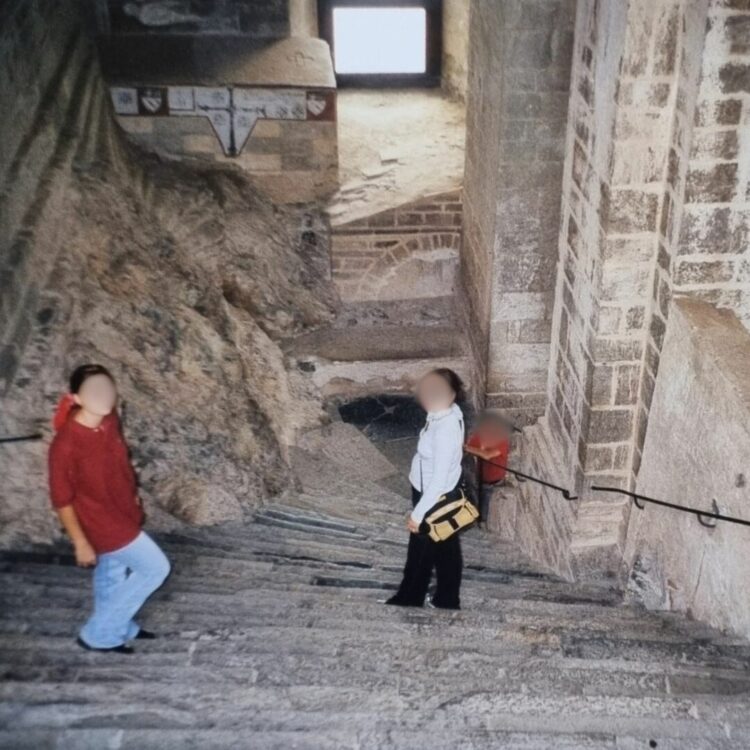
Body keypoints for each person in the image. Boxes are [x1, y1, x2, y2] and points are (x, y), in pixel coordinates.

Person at [48, 363, 171, 654]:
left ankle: (120, 625)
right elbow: (62, 499)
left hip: (123, 509)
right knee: (155, 568)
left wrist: (133, 495)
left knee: (112, 571)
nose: (103, 397)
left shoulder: (109, 418)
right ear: (76, 398)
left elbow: (118, 463)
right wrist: (80, 542)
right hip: (100, 521)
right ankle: (98, 633)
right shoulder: (65, 445)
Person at [386, 368, 466, 610]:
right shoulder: (447, 413)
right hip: (440, 493)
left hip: (432, 497)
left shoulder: (445, 430)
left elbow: (439, 477)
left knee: (420, 553)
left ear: (452, 395)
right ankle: (447, 599)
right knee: (446, 546)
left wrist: (418, 515)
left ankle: (409, 598)